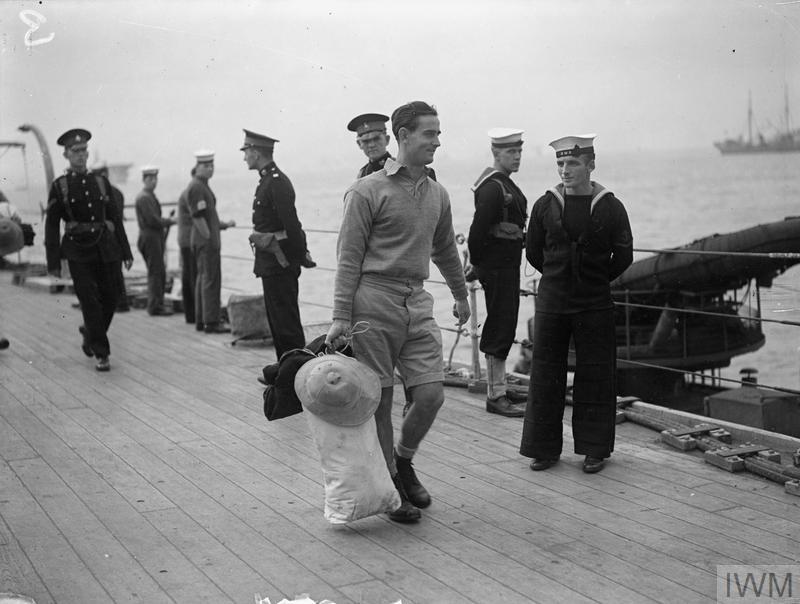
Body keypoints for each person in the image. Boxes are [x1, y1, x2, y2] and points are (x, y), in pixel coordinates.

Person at [326, 101, 470, 523]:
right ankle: (392, 485)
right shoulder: (365, 191)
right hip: (373, 302)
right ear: (404, 136)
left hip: (417, 301)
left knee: (431, 394)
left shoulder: (437, 193)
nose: (437, 142)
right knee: (381, 399)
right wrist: (340, 316)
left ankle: (403, 461)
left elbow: (445, 249)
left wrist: (460, 294)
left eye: (438, 134)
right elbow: (348, 258)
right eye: (430, 134)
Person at [519, 134, 633, 474]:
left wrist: (593, 279)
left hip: (594, 303)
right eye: (560, 163)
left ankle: (595, 449)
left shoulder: (611, 206)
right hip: (553, 302)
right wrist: (560, 276)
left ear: (590, 165)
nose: (565, 170)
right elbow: (533, 252)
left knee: (596, 374)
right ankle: (544, 450)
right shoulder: (545, 205)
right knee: (545, 374)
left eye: (572, 163)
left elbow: (623, 255)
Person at [45, 128, 133, 371]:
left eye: (84, 150)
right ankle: (102, 354)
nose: (81, 155)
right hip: (77, 250)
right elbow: (51, 225)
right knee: (90, 301)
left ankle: (91, 332)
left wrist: (126, 252)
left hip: (105, 247)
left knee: (112, 296)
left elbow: (115, 218)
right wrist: (53, 262)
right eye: (76, 151)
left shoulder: (101, 183)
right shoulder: (60, 186)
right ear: (66, 154)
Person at [467, 128, 529, 418]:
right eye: (510, 152)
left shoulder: (503, 183)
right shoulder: (493, 188)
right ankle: (495, 395)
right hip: (497, 267)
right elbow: (477, 233)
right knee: (500, 326)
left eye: (519, 151)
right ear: (496, 153)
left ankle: (500, 386)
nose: (517, 157)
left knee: (505, 323)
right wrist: (479, 266)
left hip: (506, 265)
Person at [241, 129, 309, 362]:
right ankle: (284, 368)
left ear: (256, 152)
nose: (244, 157)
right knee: (277, 322)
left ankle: (295, 370)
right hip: (271, 263)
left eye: (246, 151)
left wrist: (296, 260)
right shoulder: (267, 181)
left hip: (281, 263)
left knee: (286, 323)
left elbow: (292, 224)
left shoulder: (277, 182)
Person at [185, 150, 235, 334]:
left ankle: (202, 320)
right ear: (197, 167)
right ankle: (211, 322)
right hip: (206, 242)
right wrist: (209, 237)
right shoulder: (197, 187)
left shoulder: (201, 185)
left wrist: (223, 225)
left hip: (204, 241)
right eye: (206, 166)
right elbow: (197, 216)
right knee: (210, 280)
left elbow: (208, 216)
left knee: (203, 279)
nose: (210, 169)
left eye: (212, 165)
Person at [135, 165, 175, 316]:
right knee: (156, 272)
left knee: (158, 271)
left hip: (153, 237)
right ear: (144, 180)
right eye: (150, 179)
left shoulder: (149, 196)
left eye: (155, 178)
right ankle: (155, 306)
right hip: (150, 237)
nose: (154, 181)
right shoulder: (144, 198)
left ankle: (157, 303)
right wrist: (170, 221)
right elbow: (153, 220)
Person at [91, 161, 130, 312]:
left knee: (103, 273)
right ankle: (121, 302)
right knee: (116, 272)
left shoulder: (97, 194)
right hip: (115, 239)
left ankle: (112, 303)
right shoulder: (118, 193)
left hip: (102, 239)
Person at [176, 168, 196, 324]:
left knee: (187, 276)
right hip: (189, 240)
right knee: (192, 277)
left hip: (185, 239)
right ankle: (194, 313)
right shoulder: (191, 193)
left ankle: (190, 314)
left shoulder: (185, 193)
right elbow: (199, 216)